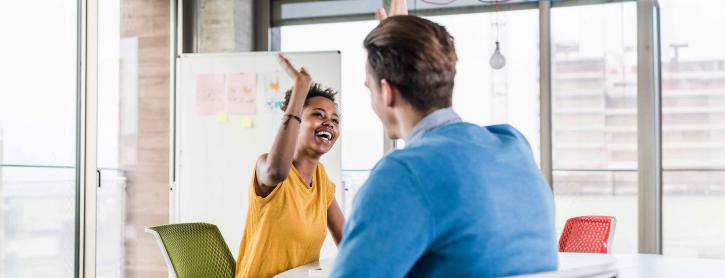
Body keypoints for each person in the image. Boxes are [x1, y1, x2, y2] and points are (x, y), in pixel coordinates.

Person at [330, 1, 558, 277]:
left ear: (386, 92)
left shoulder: (402, 174)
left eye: (369, 88)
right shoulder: (512, 146)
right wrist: (404, 44)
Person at [235, 54, 345, 278]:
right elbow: (277, 172)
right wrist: (300, 91)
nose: (329, 123)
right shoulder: (266, 166)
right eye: (318, 114)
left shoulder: (321, 180)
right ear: (296, 122)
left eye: (335, 120)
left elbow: (347, 239)